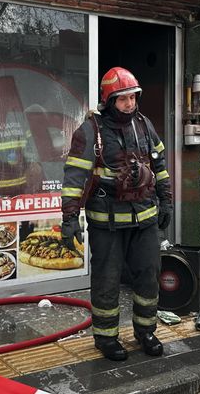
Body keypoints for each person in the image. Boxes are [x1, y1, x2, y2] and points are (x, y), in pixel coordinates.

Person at [60, 67, 173, 361]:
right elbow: (74, 177)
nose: (130, 104)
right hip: (106, 222)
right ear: (110, 100)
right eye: (123, 99)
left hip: (144, 219)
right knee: (107, 280)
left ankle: (145, 331)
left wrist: (167, 200)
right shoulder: (91, 131)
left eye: (133, 97)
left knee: (149, 275)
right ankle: (106, 338)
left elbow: (159, 166)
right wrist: (70, 218)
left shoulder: (145, 124)